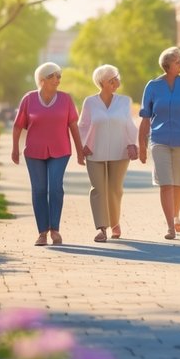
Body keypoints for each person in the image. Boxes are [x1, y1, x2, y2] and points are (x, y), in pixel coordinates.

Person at [11, 62, 85, 247]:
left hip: (60, 151)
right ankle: (42, 233)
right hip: (34, 151)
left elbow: (73, 126)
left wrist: (80, 151)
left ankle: (55, 230)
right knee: (39, 190)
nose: (58, 79)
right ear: (42, 79)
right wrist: (14, 149)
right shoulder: (29, 99)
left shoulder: (66, 99)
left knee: (55, 188)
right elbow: (18, 125)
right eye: (54, 76)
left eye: (59, 76)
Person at [138, 47, 180, 240]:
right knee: (166, 183)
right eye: (178, 62)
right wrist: (142, 145)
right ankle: (170, 226)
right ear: (167, 64)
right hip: (159, 140)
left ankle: (176, 215)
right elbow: (145, 117)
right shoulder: (152, 86)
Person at [78, 65, 139, 242]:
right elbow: (83, 125)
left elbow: (128, 124)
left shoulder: (124, 101)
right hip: (94, 151)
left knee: (114, 189)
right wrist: (83, 146)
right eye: (112, 80)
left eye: (117, 79)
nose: (116, 83)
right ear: (102, 83)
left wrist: (132, 144)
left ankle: (115, 222)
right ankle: (102, 228)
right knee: (98, 189)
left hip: (120, 151)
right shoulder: (90, 102)